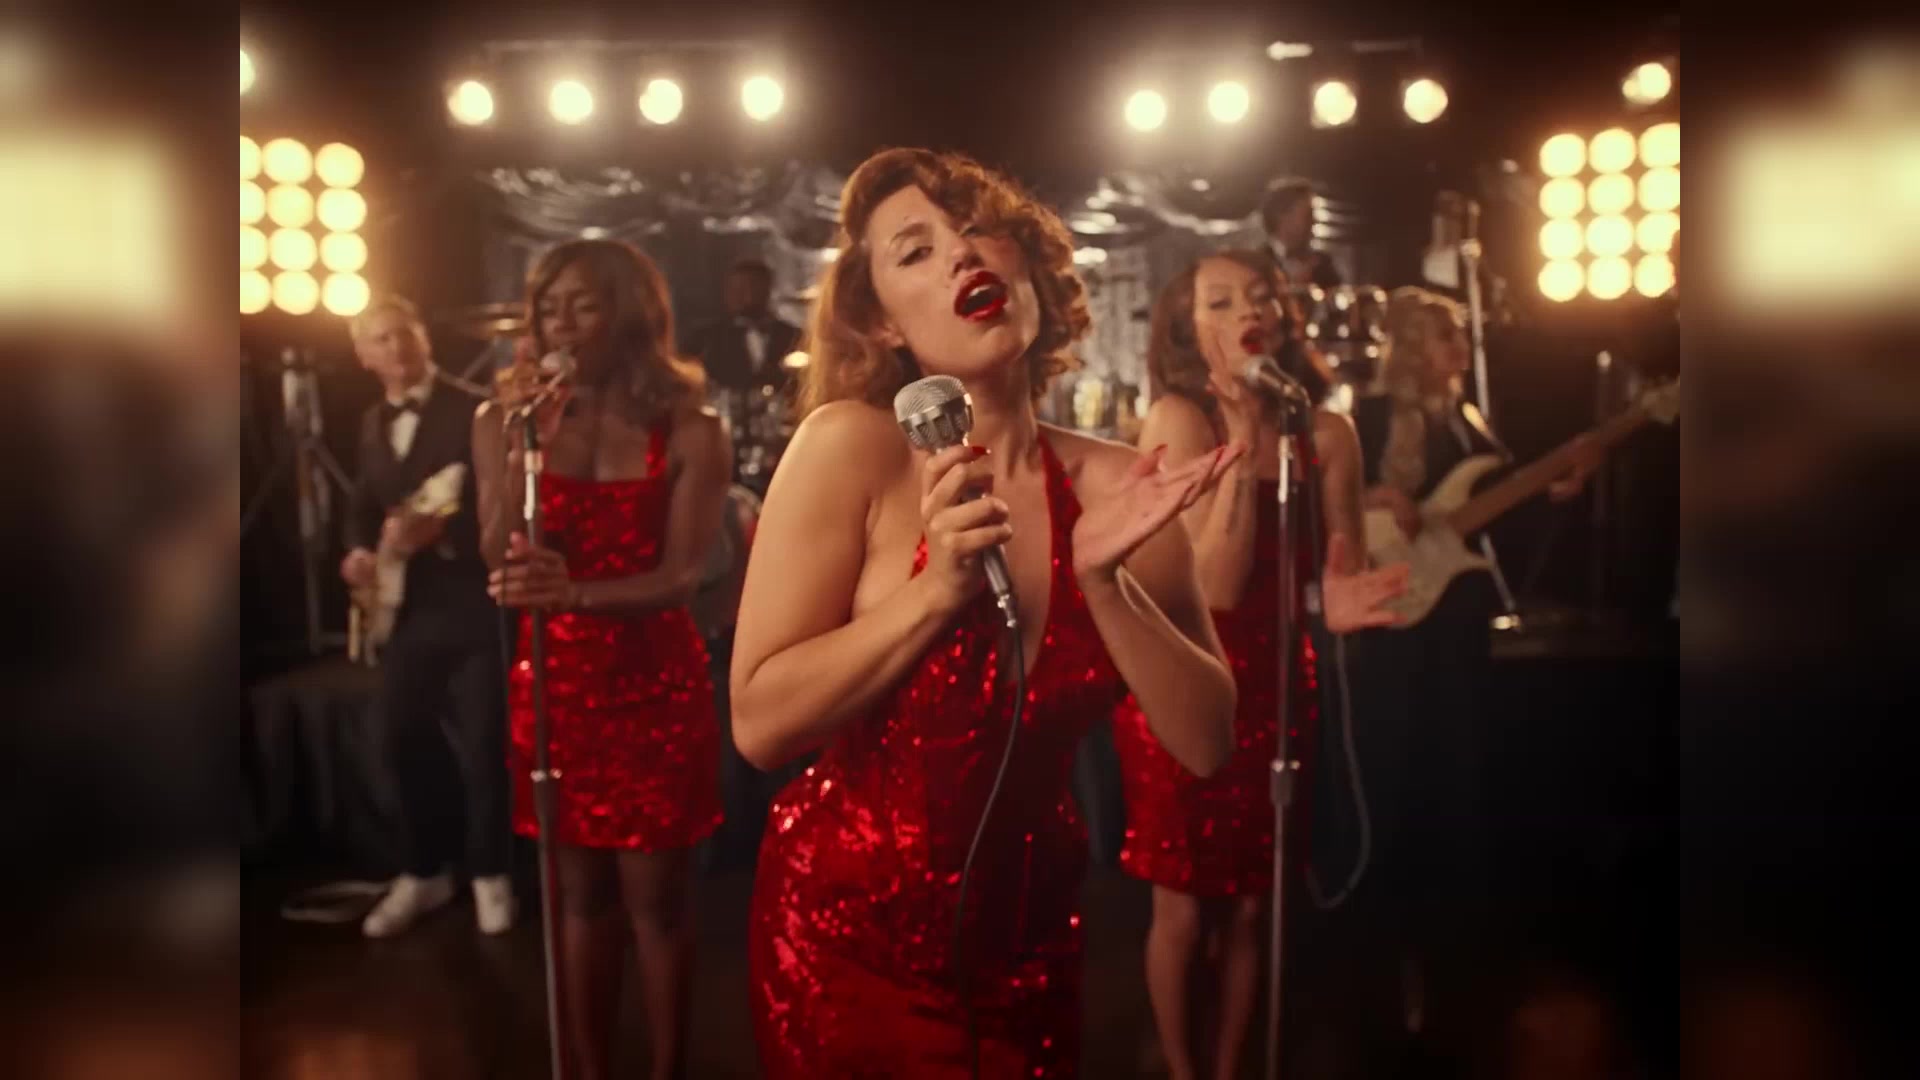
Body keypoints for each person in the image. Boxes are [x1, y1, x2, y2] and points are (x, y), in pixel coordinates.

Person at [730, 147, 1242, 1078]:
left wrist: (1103, 583)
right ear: (882, 320)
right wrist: (934, 594)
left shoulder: (1122, 487)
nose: (962, 255)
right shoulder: (849, 448)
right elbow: (760, 726)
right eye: (916, 250)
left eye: (976, 230)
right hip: (845, 944)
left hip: (1028, 936)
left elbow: (1208, 743)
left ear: (1028, 263)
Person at [1111, 250, 1407, 1080]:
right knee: (1181, 910)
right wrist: (1244, 444)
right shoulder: (1179, 420)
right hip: (1187, 681)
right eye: (1221, 300)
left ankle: (1232, 1067)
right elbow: (1216, 586)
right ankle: (1182, 1070)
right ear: (1187, 328)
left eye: (1262, 296)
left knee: (1250, 908)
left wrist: (1334, 600)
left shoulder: (1329, 435)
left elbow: (1334, 570)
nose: (1250, 310)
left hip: (1279, 687)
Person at [473, 239, 732, 1080]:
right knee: (578, 899)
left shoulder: (692, 430)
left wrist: (575, 594)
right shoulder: (500, 422)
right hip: (556, 686)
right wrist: (522, 446)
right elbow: (497, 554)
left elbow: (683, 576)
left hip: (654, 683)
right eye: (547, 308)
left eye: (582, 305)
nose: (561, 324)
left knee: (658, 903)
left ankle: (668, 1070)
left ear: (631, 314)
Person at [1342, 285, 1596, 1056]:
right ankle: (1380, 963)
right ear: (1417, 347)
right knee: (1395, 773)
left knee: (1457, 773)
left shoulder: (1470, 421)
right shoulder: (1368, 417)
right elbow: (1329, 510)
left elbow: (1501, 523)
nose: (1463, 350)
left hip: (1456, 621)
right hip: (1393, 623)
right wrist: (1372, 495)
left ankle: (1454, 962)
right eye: (1448, 338)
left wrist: (1555, 492)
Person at [337, 296, 514, 939]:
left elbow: (506, 506)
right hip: (406, 613)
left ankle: (493, 873)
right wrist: (358, 553)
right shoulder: (369, 421)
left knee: (486, 743)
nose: (398, 347)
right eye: (382, 339)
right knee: (400, 737)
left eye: (404, 333)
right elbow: (363, 503)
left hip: (472, 604)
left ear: (424, 337)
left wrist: (444, 535)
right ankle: (426, 869)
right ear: (364, 356)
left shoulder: (476, 409)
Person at [683, 258, 803, 396]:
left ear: (767, 290)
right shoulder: (705, 339)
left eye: (748, 288)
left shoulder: (794, 336)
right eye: (734, 289)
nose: (739, 296)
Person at [1259, 179, 1343, 294]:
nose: (1314, 221)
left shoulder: (1323, 263)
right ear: (1283, 217)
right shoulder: (1257, 264)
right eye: (1308, 214)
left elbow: (1338, 300)